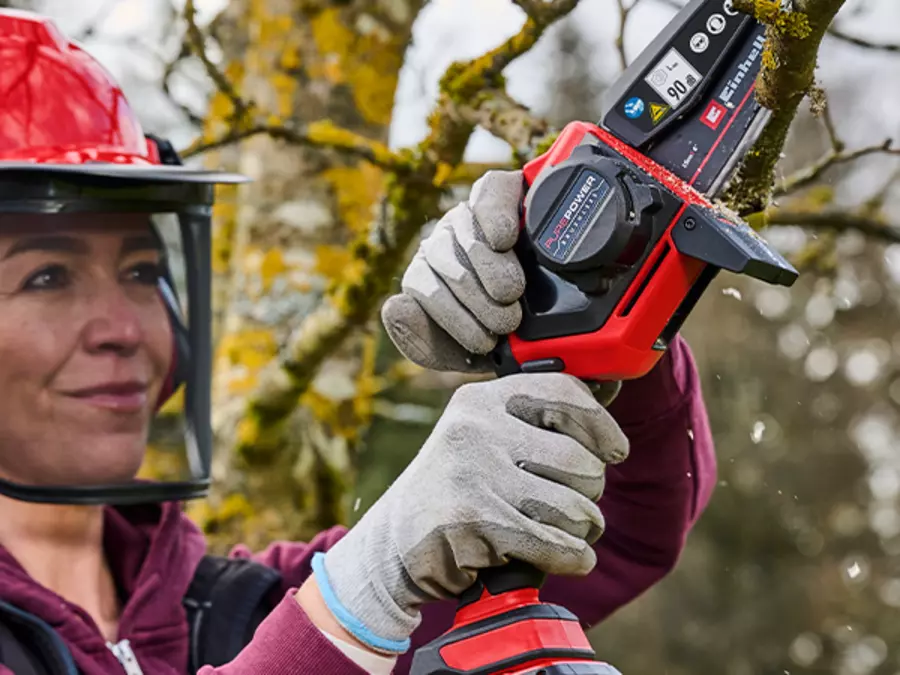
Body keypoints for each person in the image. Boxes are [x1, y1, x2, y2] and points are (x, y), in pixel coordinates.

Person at [0, 9, 716, 675]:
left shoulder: (234, 606)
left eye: (141, 271)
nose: (124, 327)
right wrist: (353, 599)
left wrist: (584, 309)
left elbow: (624, 529)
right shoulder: (318, 607)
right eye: (47, 277)